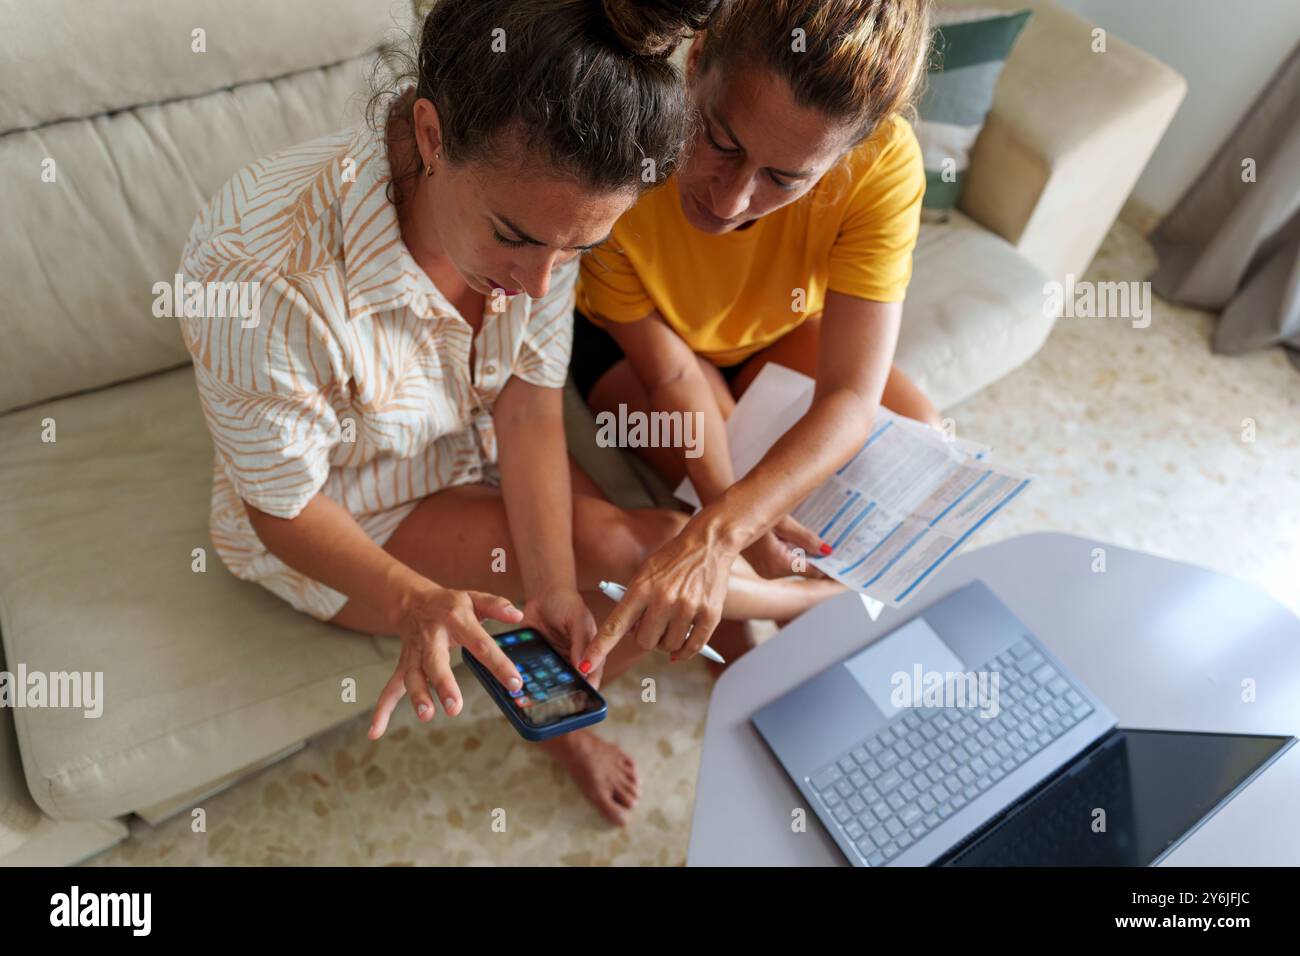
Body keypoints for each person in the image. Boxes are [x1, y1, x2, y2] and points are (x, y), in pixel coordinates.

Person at [178, 0, 836, 826]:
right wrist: (416, 599)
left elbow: (527, 404)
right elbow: (279, 509)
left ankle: (621, 684)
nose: (538, 283)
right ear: (429, 135)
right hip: (342, 511)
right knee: (655, 550)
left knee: (604, 583)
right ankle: (823, 602)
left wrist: (554, 584)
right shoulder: (258, 272)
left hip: (470, 445)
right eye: (515, 237)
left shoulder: (550, 213)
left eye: (579, 249)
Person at [572, 0, 939, 676]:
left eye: (784, 177)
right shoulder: (624, 133)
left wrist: (732, 526)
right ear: (694, 65)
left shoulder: (885, 164)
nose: (732, 198)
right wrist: (727, 524)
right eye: (720, 141)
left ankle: (805, 628)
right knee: (727, 485)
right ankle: (751, 637)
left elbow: (851, 396)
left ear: (847, 155)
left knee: (920, 433)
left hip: (777, 323)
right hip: (635, 342)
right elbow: (674, 376)